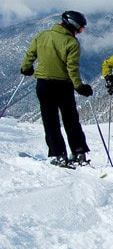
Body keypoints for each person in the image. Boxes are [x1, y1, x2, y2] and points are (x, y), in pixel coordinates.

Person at [20, 10, 93, 167]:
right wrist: (79, 86)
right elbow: (72, 68)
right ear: (73, 25)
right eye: (81, 28)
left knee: (50, 121)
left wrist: (26, 68)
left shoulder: (42, 36)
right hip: (63, 86)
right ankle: (79, 152)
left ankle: (58, 154)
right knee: (71, 120)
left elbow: (30, 54)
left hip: (44, 85)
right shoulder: (72, 43)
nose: (80, 32)